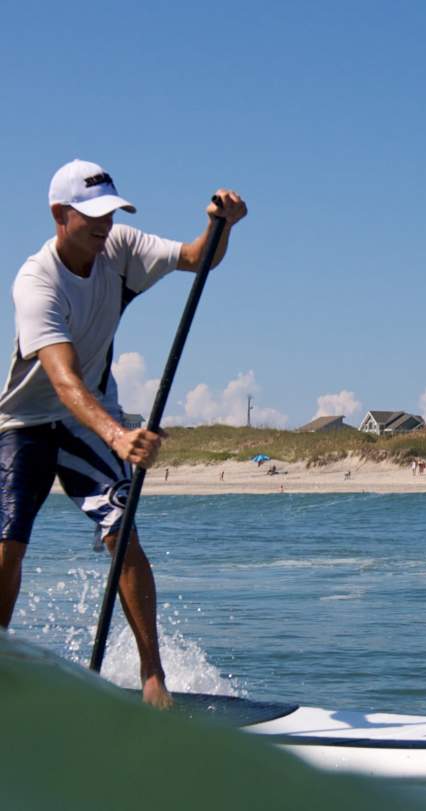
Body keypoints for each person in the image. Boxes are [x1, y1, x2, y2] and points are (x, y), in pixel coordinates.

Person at [0, 159, 247, 709]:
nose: (104, 225)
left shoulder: (121, 249)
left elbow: (197, 259)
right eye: (91, 215)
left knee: (122, 535)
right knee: (8, 544)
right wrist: (117, 435)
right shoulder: (36, 281)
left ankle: (153, 678)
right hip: (25, 423)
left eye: (110, 213)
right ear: (59, 215)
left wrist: (220, 226)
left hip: (88, 419)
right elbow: (62, 377)